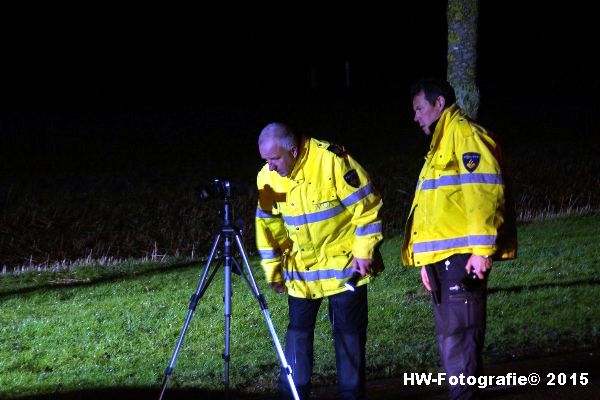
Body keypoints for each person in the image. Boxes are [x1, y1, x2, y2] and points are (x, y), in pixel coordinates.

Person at [402, 79, 517, 399]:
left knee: (460, 336)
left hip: (463, 259)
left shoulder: (464, 136)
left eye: (419, 109)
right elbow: (436, 211)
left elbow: (483, 194)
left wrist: (482, 252)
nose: (416, 117)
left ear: (439, 104)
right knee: (451, 338)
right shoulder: (442, 142)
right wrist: (426, 262)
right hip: (443, 261)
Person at [255, 122, 383, 400]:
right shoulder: (267, 177)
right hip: (302, 274)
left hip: (345, 268)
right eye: (265, 160)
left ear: (293, 149)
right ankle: (293, 394)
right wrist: (273, 269)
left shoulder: (332, 161)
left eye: (274, 159)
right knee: (297, 336)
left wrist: (364, 253)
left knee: (348, 336)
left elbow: (367, 208)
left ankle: (351, 394)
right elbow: (268, 224)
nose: (271, 166)